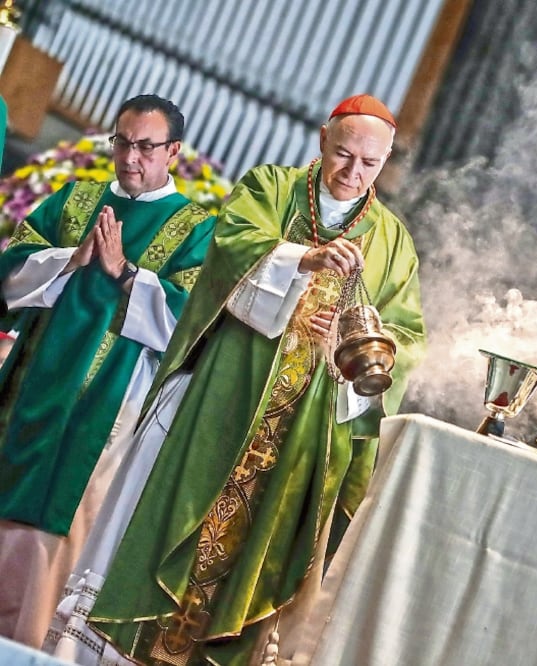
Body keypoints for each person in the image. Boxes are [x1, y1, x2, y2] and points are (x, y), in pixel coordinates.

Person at [57, 94, 425, 665]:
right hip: (221, 401)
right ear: (323, 140)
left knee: (250, 567)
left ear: (385, 163)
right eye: (344, 154)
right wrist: (302, 261)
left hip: (299, 433)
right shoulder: (270, 188)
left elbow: (405, 336)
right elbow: (229, 251)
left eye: (370, 164)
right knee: (171, 529)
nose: (353, 173)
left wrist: (348, 346)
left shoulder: (394, 242)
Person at [0, 93, 216, 647]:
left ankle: (38, 649)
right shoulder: (78, 199)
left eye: (145, 146)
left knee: (72, 525)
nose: (130, 157)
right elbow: (10, 266)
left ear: (173, 151)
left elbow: (191, 323)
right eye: (122, 142)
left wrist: (127, 274)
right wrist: (67, 260)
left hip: (110, 410)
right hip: (31, 388)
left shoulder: (194, 227)